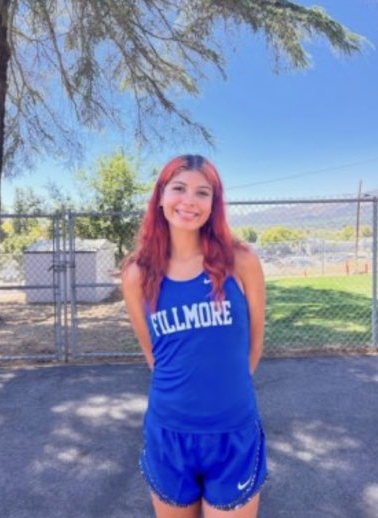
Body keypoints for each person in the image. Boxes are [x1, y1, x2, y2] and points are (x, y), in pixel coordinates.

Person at [122, 154, 267, 518]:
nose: (189, 200)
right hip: (169, 432)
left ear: (214, 204)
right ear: (160, 196)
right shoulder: (138, 274)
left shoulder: (241, 260)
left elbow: (254, 341)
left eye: (203, 193)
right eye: (179, 188)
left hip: (232, 431)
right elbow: (152, 353)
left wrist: (225, 391)